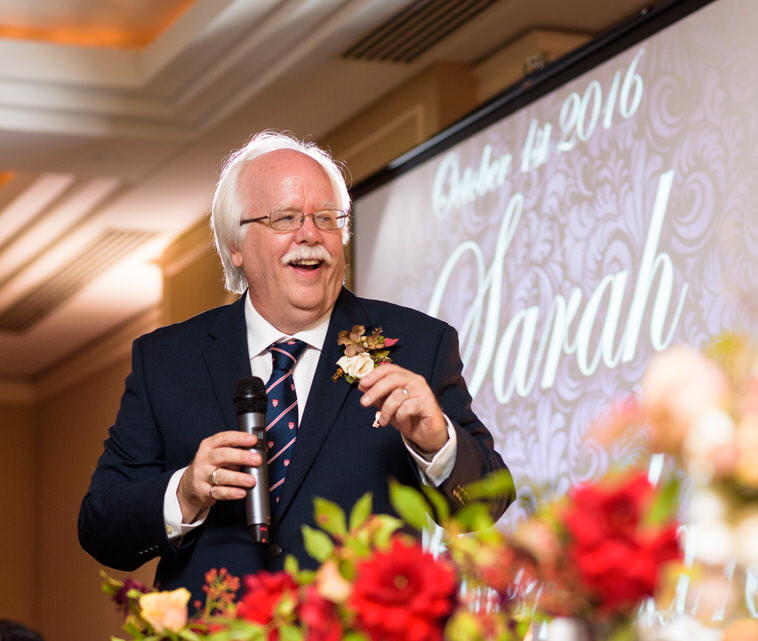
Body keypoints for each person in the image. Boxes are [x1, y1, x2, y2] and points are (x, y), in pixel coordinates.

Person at [78, 130, 513, 601]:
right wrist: (185, 492)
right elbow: (101, 525)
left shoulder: (417, 345)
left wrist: (437, 443)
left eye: (326, 218)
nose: (310, 234)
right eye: (286, 218)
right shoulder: (166, 360)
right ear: (237, 245)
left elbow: (487, 502)